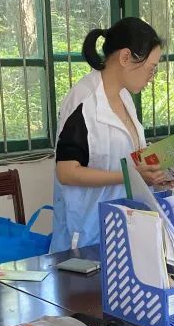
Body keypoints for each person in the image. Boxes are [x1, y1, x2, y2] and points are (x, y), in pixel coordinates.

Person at [50, 17, 167, 251]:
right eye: (151, 68)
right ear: (125, 57)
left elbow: (125, 155)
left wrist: (156, 169)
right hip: (86, 232)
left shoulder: (124, 97)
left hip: (122, 225)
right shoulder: (84, 100)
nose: (152, 77)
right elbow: (67, 172)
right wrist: (129, 176)